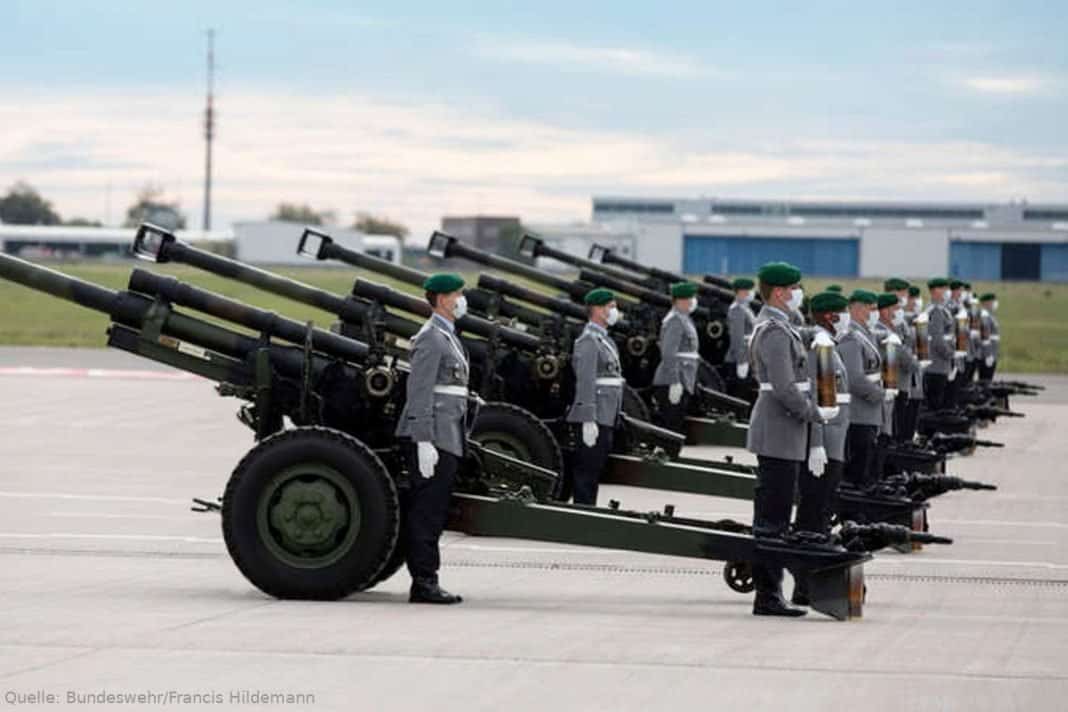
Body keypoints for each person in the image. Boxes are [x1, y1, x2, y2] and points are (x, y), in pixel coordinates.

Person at [746, 261, 831, 617]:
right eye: (795, 288)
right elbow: (783, 387)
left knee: (777, 513)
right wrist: (814, 413)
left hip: (784, 429)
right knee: (773, 519)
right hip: (779, 428)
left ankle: (772, 593)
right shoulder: (775, 331)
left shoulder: (783, 326)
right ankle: (767, 596)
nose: (799, 293)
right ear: (780, 292)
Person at [395, 272, 470, 604]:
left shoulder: (447, 335)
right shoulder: (430, 338)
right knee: (427, 511)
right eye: (457, 294)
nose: (462, 301)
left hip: (447, 435)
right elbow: (420, 392)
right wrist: (423, 439)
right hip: (434, 437)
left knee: (435, 510)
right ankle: (424, 582)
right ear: (442, 299)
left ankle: (426, 579)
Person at [791, 290, 850, 607]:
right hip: (823, 447)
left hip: (834, 443)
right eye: (845, 312)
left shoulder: (830, 346)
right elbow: (816, 397)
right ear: (831, 316)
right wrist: (815, 444)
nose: (850, 318)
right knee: (812, 518)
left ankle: (810, 584)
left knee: (822, 515)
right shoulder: (820, 347)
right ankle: (805, 586)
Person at [565, 287, 624, 506]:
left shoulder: (604, 339)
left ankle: (588, 511)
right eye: (611, 307)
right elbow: (586, 381)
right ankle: (583, 513)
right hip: (596, 415)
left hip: (606, 415)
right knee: (586, 471)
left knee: (595, 469)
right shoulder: (589, 340)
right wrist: (588, 418)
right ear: (598, 310)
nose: (614, 311)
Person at [837, 290, 887, 488]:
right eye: (871, 308)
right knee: (857, 472)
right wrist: (879, 395)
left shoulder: (864, 334)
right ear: (857, 309)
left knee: (866, 468)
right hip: (858, 413)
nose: (875, 313)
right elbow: (854, 378)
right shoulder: (851, 337)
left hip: (868, 412)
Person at [653, 282, 701, 433]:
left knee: (676, 422)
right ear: (680, 300)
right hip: (673, 380)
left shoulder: (683, 318)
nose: (693, 301)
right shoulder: (675, 320)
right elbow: (668, 353)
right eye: (690, 298)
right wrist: (674, 381)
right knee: (671, 425)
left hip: (684, 378)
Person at [875, 291, 916, 442]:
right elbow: (905, 358)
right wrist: (915, 363)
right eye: (895, 308)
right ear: (884, 311)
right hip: (892, 388)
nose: (899, 312)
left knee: (898, 432)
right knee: (892, 435)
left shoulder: (893, 329)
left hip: (898, 387)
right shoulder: (884, 332)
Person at [923, 277, 955, 412]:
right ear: (935, 291)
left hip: (938, 363)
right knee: (935, 402)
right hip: (938, 364)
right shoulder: (936, 311)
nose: (947, 292)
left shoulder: (938, 309)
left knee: (935, 400)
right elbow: (937, 340)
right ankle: (931, 432)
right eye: (943, 289)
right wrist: (951, 355)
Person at [724, 277, 756, 399]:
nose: (752, 293)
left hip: (747, 357)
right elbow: (737, 338)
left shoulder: (745, 308)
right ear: (742, 292)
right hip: (738, 360)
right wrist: (741, 360)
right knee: (738, 394)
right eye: (749, 290)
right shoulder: (737, 310)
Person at [978, 293, 1001, 382]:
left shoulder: (990, 315)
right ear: (986, 303)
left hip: (992, 353)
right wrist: (988, 355)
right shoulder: (985, 316)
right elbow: (985, 336)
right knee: (985, 381)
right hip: (986, 355)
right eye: (992, 301)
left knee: (988, 380)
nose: (995, 303)